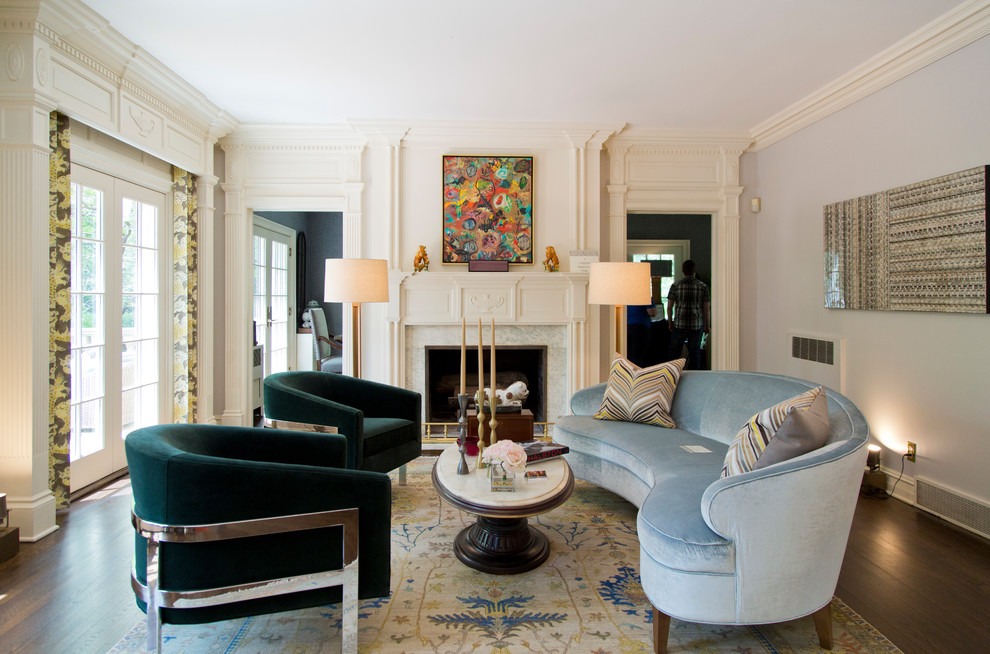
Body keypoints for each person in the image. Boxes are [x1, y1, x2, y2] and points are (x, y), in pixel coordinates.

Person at [666, 260, 710, 370]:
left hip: (679, 324)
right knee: (695, 353)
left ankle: (671, 374)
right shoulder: (703, 287)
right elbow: (706, 308)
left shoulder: (675, 286)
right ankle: (694, 376)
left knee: (674, 353)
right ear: (695, 270)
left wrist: (670, 322)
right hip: (696, 324)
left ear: (683, 270)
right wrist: (707, 325)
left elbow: (669, 307)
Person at [626, 303, 657, 367]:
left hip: (626, 326)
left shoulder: (626, 297)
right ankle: (638, 371)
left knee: (628, 354)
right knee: (638, 355)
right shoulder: (646, 297)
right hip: (641, 326)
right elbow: (652, 313)